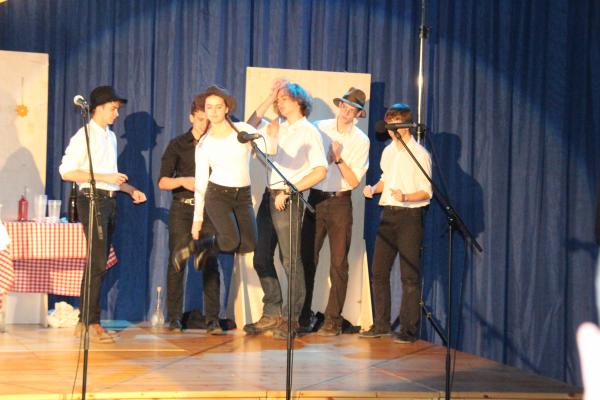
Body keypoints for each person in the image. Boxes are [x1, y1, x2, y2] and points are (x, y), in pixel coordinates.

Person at [59, 85, 147, 343]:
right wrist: (105, 177)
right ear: (97, 108)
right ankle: (90, 321)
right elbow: (66, 171)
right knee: (97, 261)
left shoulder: (110, 136)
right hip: (91, 200)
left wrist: (130, 190)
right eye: (112, 109)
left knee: (98, 261)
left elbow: (110, 177)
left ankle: (85, 321)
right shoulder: (84, 135)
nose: (116, 114)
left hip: (108, 200)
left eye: (117, 110)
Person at [244, 80, 327, 340]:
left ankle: (292, 319)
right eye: (278, 100)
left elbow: (320, 171)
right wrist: (270, 97)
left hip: (288, 198)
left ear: (299, 102)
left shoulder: (308, 131)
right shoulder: (278, 127)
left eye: (284, 99)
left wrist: (291, 191)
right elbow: (248, 128)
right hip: (270, 196)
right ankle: (273, 312)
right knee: (261, 257)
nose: (279, 103)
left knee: (290, 261)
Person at [299, 87, 370, 335]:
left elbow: (354, 181)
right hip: (316, 198)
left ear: (358, 114)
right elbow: (306, 161)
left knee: (339, 263)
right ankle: (302, 316)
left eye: (352, 109)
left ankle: (333, 320)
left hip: (340, 202)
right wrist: (324, 160)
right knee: (307, 259)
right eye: (344, 106)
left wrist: (338, 159)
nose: (346, 111)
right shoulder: (319, 127)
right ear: (339, 106)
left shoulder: (361, 140)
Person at [359, 103, 432, 343]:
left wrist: (406, 197)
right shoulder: (388, 151)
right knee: (379, 271)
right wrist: (373, 188)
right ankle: (381, 324)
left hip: (410, 217)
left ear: (405, 126)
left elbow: (427, 191)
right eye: (388, 125)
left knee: (409, 276)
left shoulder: (420, 154)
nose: (390, 130)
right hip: (388, 216)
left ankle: (409, 331)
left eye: (395, 125)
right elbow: (386, 179)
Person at [157, 98, 221, 333]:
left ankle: (212, 320)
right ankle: (174, 317)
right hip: (183, 209)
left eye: (208, 120)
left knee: (210, 261)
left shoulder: (216, 144)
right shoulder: (177, 145)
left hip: (209, 210)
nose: (205, 124)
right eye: (200, 119)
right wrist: (183, 181)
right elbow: (162, 182)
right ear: (191, 117)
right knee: (177, 260)